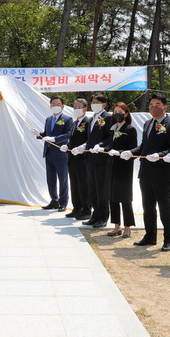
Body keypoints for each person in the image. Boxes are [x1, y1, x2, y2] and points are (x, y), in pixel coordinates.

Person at [126, 94, 170, 251]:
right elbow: (144, 146)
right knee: (148, 206)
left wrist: (160, 155)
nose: (153, 107)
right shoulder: (147, 123)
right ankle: (150, 236)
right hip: (146, 171)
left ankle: (169, 239)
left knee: (165, 207)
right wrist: (131, 152)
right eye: (151, 104)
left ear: (165, 107)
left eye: (157, 104)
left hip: (162, 172)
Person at [103, 103, 137, 237]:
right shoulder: (112, 129)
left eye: (120, 111)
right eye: (115, 111)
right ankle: (116, 226)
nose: (117, 114)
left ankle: (128, 227)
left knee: (125, 198)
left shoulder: (130, 129)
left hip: (124, 168)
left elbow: (133, 149)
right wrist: (103, 148)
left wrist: (119, 152)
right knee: (113, 198)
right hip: (111, 167)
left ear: (126, 113)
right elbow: (109, 145)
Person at [78, 94, 112, 228]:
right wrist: (83, 146)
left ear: (104, 104)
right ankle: (95, 215)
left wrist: (101, 146)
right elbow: (91, 138)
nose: (94, 104)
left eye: (97, 102)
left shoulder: (108, 117)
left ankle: (103, 217)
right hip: (90, 158)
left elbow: (110, 137)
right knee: (92, 189)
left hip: (101, 159)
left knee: (101, 190)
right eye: (92, 102)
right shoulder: (93, 118)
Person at [38, 95, 72, 210]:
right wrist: (38, 134)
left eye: (58, 104)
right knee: (50, 179)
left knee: (63, 179)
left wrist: (54, 139)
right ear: (50, 106)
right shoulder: (48, 119)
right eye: (53, 104)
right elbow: (46, 134)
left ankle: (63, 203)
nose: (55, 106)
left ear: (62, 106)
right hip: (49, 153)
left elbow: (68, 135)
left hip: (61, 154)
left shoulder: (68, 119)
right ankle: (54, 200)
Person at [63, 99, 91, 220]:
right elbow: (72, 139)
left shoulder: (88, 122)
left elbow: (89, 140)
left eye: (79, 107)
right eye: (75, 107)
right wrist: (67, 146)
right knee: (74, 184)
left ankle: (86, 209)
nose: (77, 109)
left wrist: (81, 148)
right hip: (72, 159)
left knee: (84, 185)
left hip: (82, 159)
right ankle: (76, 208)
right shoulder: (74, 123)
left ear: (85, 108)